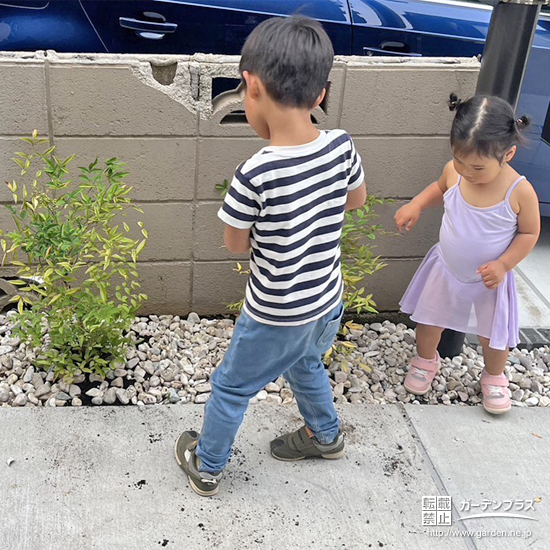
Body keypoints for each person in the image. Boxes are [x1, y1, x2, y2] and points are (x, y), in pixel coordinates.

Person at [174, 15, 367, 496]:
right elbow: (356, 200)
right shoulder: (342, 146)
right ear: (320, 94)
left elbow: (235, 244)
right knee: (305, 364)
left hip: (276, 313)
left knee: (231, 387)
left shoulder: (254, 173)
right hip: (326, 300)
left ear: (251, 86)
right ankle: (326, 436)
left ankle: (207, 465)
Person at [395, 95, 540, 415]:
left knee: (493, 336)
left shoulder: (519, 191)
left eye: (477, 167)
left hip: (490, 279)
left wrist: (504, 264)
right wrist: (417, 205)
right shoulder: (454, 172)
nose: (466, 172)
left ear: (508, 154)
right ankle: (425, 360)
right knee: (428, 321)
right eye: (459, 160)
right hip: (446, 268)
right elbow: (440, 188)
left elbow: (529, 233)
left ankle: (494, 376)